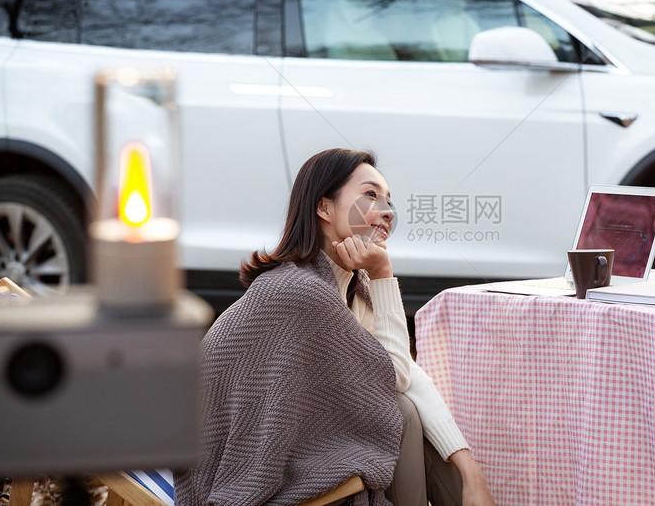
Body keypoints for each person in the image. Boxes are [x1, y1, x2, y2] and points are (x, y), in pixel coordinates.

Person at [175, 148, 495, 506]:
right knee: (400, 412)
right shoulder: (298, 291)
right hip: (231, 469)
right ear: (324, 207)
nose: (387, 211)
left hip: (299, 444)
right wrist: (383, 274)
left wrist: (470, 471)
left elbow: (409, 376)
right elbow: (393, 377)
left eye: (388, 200)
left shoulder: (351, 288)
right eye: (370, 195)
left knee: (406, 408)